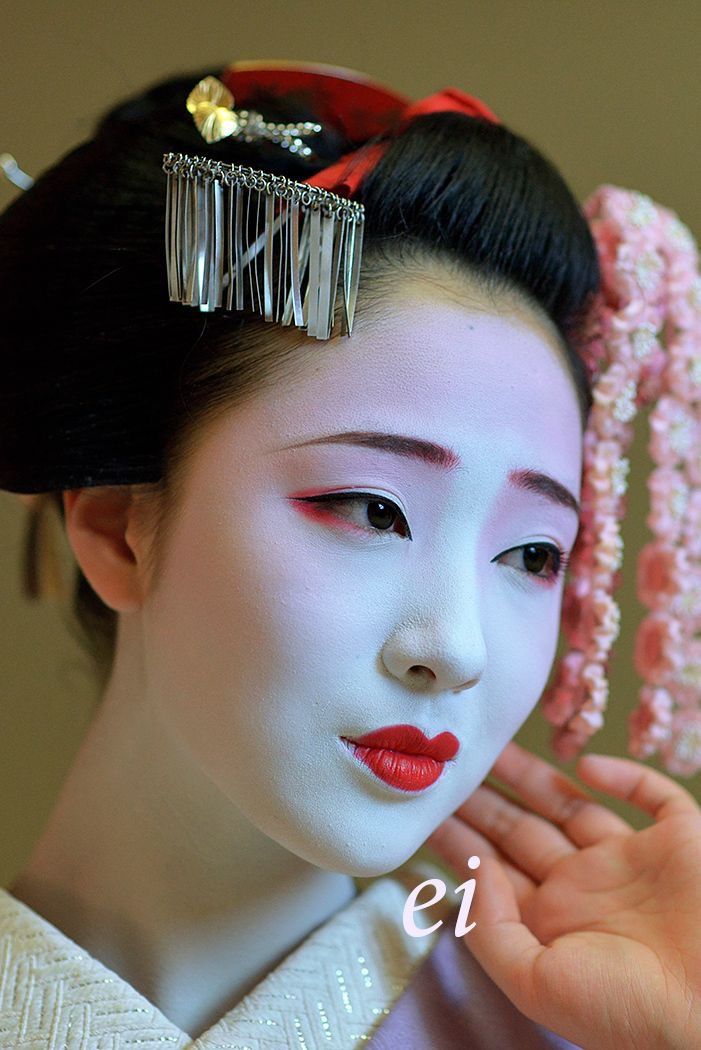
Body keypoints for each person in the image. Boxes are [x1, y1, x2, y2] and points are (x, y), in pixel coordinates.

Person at [0, 59, 699, 1049]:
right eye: (372, 509)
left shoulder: (614, 1018)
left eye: (534, 554)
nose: (453, 648)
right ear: (119, 524)